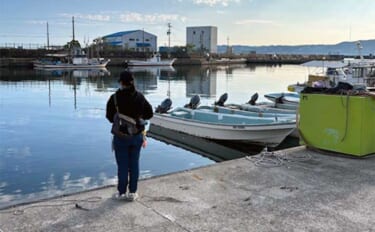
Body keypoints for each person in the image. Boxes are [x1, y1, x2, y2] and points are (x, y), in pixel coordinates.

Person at [106, 71, 153, 201]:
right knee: (134, 164)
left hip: (120, 137)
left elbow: (109, 117)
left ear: (121, 82)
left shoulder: (114, 98)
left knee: (122, 166)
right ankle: (132, 192)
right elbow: (150, 113)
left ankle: (121, 193)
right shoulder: (140, 97)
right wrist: (138, 119)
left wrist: (120, 120)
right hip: (137, 136)